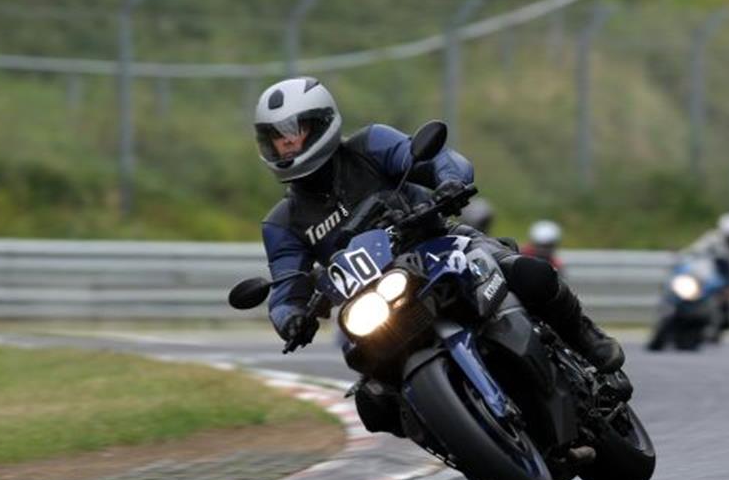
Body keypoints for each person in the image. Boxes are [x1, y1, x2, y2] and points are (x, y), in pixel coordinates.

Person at [254, 78, 623, 430]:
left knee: (530, 274)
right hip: (373, 299)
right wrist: (291, 318)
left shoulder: (370, 145)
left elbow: (438, 159)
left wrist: (450, 181)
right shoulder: (281, 223)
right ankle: (454, 434)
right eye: (277, 139)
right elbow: (286, 286)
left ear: (322, 124)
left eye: (294, 133)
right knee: (375, 402)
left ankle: (585, 337)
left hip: (440, 244)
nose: (286, 145)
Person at [690, 212, 729, 339]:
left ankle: (721, 322)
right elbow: (694, 251)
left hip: (726, 282)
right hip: (705, 276)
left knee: (726, 304)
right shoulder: (711, 239)